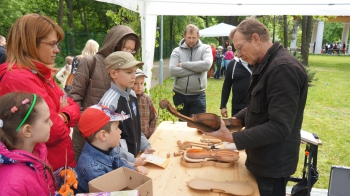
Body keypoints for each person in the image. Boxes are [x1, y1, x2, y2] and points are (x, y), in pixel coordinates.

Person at [201, 17, 308, 196]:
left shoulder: (283, 68)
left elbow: (280, 127)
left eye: (240, 47)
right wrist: (229, 122)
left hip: (272, 165)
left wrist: (232, 138)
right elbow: (255, 106)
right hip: (261, 159)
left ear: (256, 39)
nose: (239, 54)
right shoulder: (265, 64)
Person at [0, 14, 80, 171]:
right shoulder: (19, 78)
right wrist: (65, 114)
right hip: (43, 168)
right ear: (30, 44)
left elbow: (73, 105)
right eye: (52, 44)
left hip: (54, 164)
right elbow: (53, 130)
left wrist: (62, 114)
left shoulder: (39, 74)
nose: (57, 50)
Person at [69, 25, 141, 162]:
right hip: (88, 138)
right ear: (114, 43)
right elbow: (73, 100)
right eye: (126, 48)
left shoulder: (125, 69)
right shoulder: (91, 62)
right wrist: (90, 128)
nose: (129, 53)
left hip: (115, 140)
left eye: (132, 50)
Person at [0, 92, 77, 196]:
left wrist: (59, 177)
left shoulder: (35, 151)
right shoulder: (11, 184)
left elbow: (39, 184)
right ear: (28, 130)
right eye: (46, 120)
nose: (51, 123)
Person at [75, 104, 148, 193]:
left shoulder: (108, 149)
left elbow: (121, 167)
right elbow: (109, 193)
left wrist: (134, 170)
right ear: (103, 135)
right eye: (117, 127)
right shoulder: (92, 169)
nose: (120, 131)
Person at [99, 51, 155, 166]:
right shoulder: (108, 104)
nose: (134, 76)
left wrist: (145, 146)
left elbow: (135, 127)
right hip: (120, 163)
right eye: (129, 72)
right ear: (114, 73)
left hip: (133, 159)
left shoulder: (132, 95)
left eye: (134, 71)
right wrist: (132, 160)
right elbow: (109, 144)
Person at [169, 24, 212, 117]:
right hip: (179, 94)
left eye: (194, 37)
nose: (191, 40)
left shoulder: (205, 49)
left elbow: (207, 65)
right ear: (184, 36)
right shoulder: (177, 51)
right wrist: (197, 68)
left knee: (198, 125)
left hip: (198, 96)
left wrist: (184, 64)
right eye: (189, 37)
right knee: (182, 125)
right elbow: (172, 71)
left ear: (198, 36)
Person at [131, 68, 158, 139]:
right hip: (132, 138)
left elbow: (154, 117)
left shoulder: (147, 99)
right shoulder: (127, 99)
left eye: (141, 83)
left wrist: (151, 134)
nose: (139, 87)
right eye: (135, 83)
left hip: (145, 137)